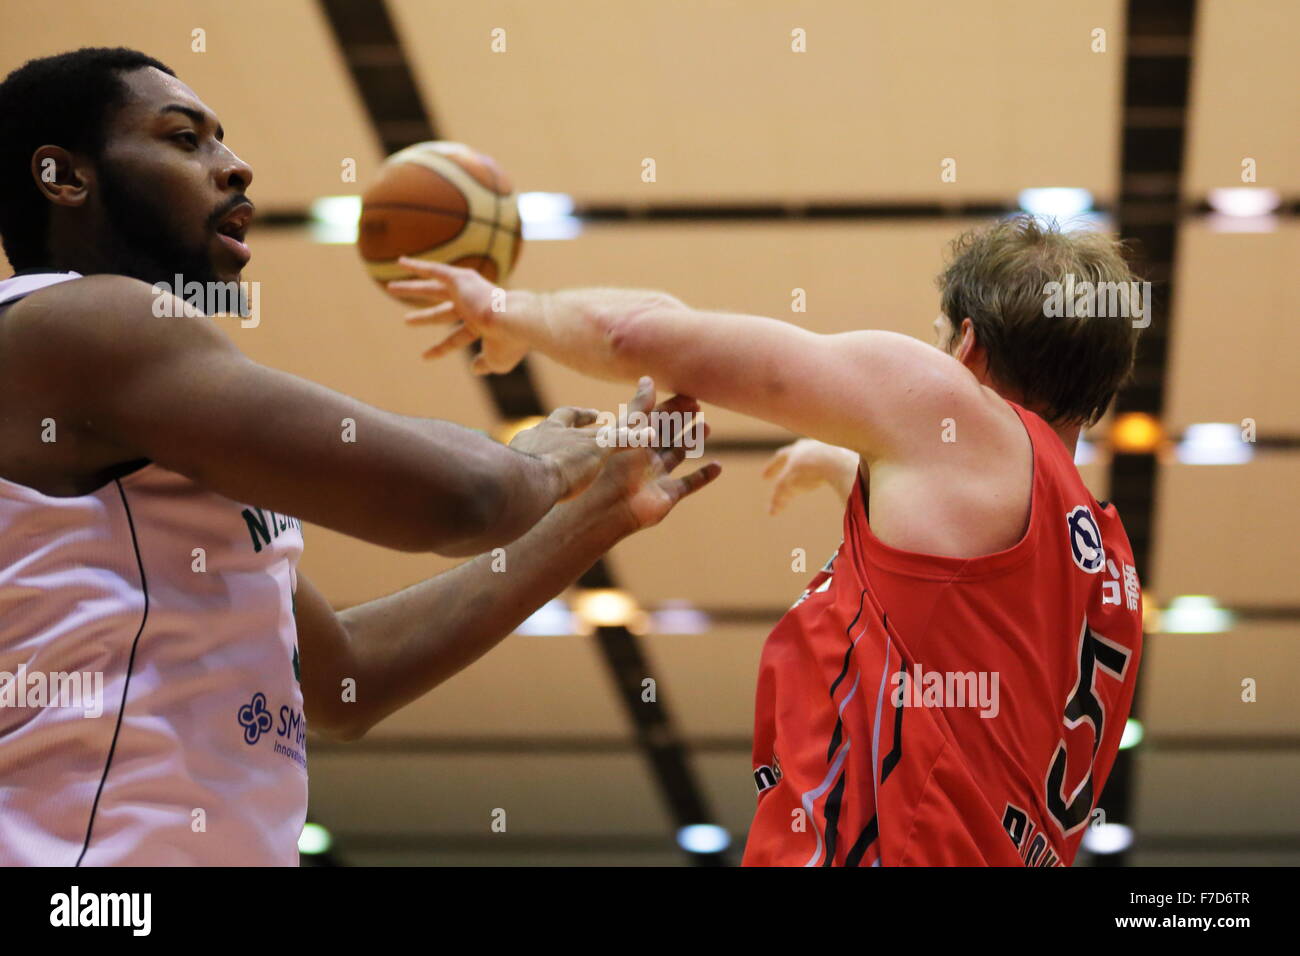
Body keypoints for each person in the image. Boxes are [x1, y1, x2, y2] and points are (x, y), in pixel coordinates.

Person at [0, 47, 718, 865]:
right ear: (63, 176)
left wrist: (598, 515)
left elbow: (346, 680)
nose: (235, 167)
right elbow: (464, 498)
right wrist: (546, 462)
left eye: (223, 140)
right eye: (184, 139)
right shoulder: (86, 322)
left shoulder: (129, 409)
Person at [395, 213, 1146, 866]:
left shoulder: (950, 412)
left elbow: (641, 335)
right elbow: (961, 605)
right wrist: (838, 465)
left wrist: (505, 309)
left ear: (968, 347)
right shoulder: (1107, 568)